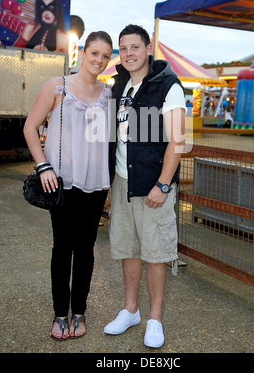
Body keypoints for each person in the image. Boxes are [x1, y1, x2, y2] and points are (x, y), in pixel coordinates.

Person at [23, 30, 113, 340]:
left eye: (105, 55)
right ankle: (60, 314)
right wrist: (42, 165)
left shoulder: (108, 95)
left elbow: (104, 139)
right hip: (61, 181)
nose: (99, 60)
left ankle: (79, 312)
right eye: (94, 53)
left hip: (96, 183)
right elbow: (30, 127)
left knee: (86, 249)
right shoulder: (57, 86)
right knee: (62, 247)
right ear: (83, 52)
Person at [104, 24, 186, 348]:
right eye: (123, 49)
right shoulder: (120, 85)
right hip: (123, 181)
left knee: (156, 253)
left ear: (148, 49)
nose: (128, 54)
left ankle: (154, 318)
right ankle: (130, 310)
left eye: (135, 47)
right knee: (129, 249)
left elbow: (177, 141)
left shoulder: (167, 85)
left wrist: (163, 185)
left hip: (153, 185)